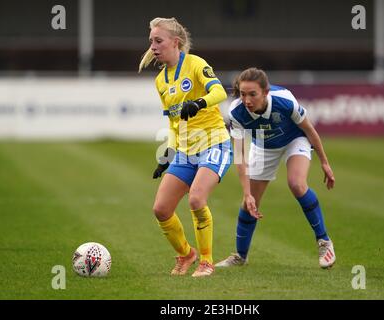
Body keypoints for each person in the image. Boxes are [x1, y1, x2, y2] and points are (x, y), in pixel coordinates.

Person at [215, 68, 336, 269]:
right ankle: (240, 256)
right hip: (263, 146)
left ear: (265, 92)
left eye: (252, 94)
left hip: (293, 140)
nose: (247, 100)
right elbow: (240, 155)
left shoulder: (284, 100)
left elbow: (309, 129)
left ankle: (324, 242)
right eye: (243, 94)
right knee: (249, 204)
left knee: (297, 184)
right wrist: (247, 194)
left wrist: (324, 162)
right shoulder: (236, 112)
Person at [138, 17, 232, 277]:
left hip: (214, 143)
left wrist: (199, 103)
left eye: (158, 41)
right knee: (161, 209)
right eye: (151, 42)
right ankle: (186, 254)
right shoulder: (160, 80)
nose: (153, 46)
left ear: (175, 42)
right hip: (185, 151)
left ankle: (206, 262)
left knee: (196, 199)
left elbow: (220, 92)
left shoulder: (195, 64)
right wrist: (168, 153)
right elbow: (173, 122)